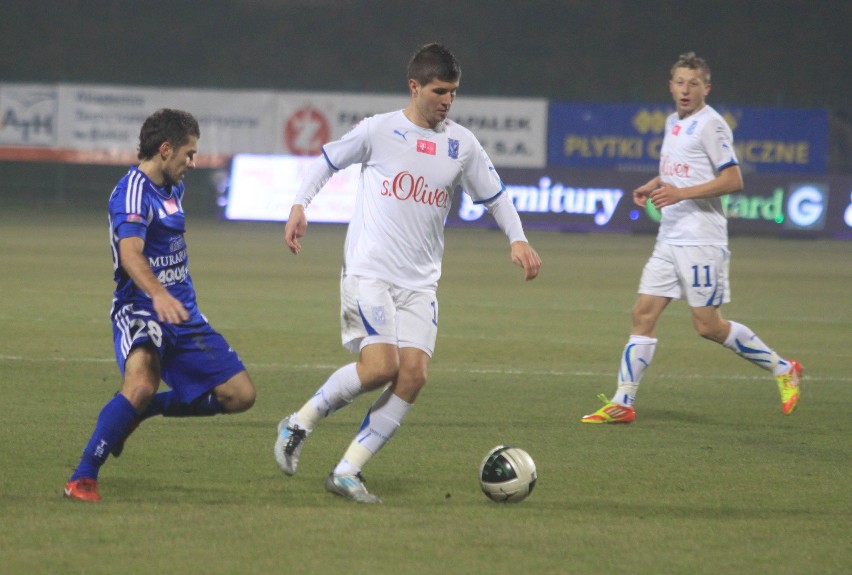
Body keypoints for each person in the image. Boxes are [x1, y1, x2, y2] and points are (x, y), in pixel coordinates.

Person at [275, 43, 542, 503]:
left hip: (420, 283)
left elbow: (495, 196)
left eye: (454, 92)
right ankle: (300, 421)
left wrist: (516, 238)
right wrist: (300, 205)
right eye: (440, 91)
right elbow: (327, 160)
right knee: (381, 367)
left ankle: (347, 471)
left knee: (413, 375)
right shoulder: (378, 131)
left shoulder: (461, 144)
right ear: (414, 86)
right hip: (370, 273)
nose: (447, 101)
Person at [581, 52, 802, 424]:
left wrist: (681, 194)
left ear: (706, 88)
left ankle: (784, 369)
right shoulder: (672, 121)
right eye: (680, 82)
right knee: (643, 313)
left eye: (694, 83)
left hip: (702, 239)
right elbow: (676, 169)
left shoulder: (712, 125)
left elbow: (734, 179)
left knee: (708, 325)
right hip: (670, 236)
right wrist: (654, 184)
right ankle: (623, 402)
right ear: (671, 86)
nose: (686, 90)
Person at [64, 109, 256, 501]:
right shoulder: (130, 193)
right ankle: (83, 476)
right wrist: (158, 293)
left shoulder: (173, 188)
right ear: (165, 150)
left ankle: (148, 410)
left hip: (182, 312)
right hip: (141, 309)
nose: (193, 162)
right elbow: (131, 254)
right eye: (188, 153)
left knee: (240, 395)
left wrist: (173, 294)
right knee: (140, 385)